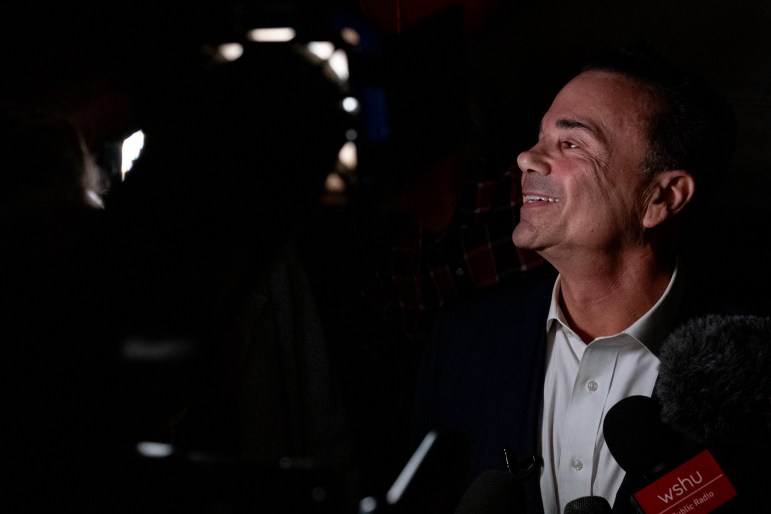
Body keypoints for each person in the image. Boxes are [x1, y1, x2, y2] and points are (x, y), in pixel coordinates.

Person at [411, 44, 740, 513]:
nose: (527, 158)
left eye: (571, 144)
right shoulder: (464, 341)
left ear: (662, 198)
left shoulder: (749, 372)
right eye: (540, 138)